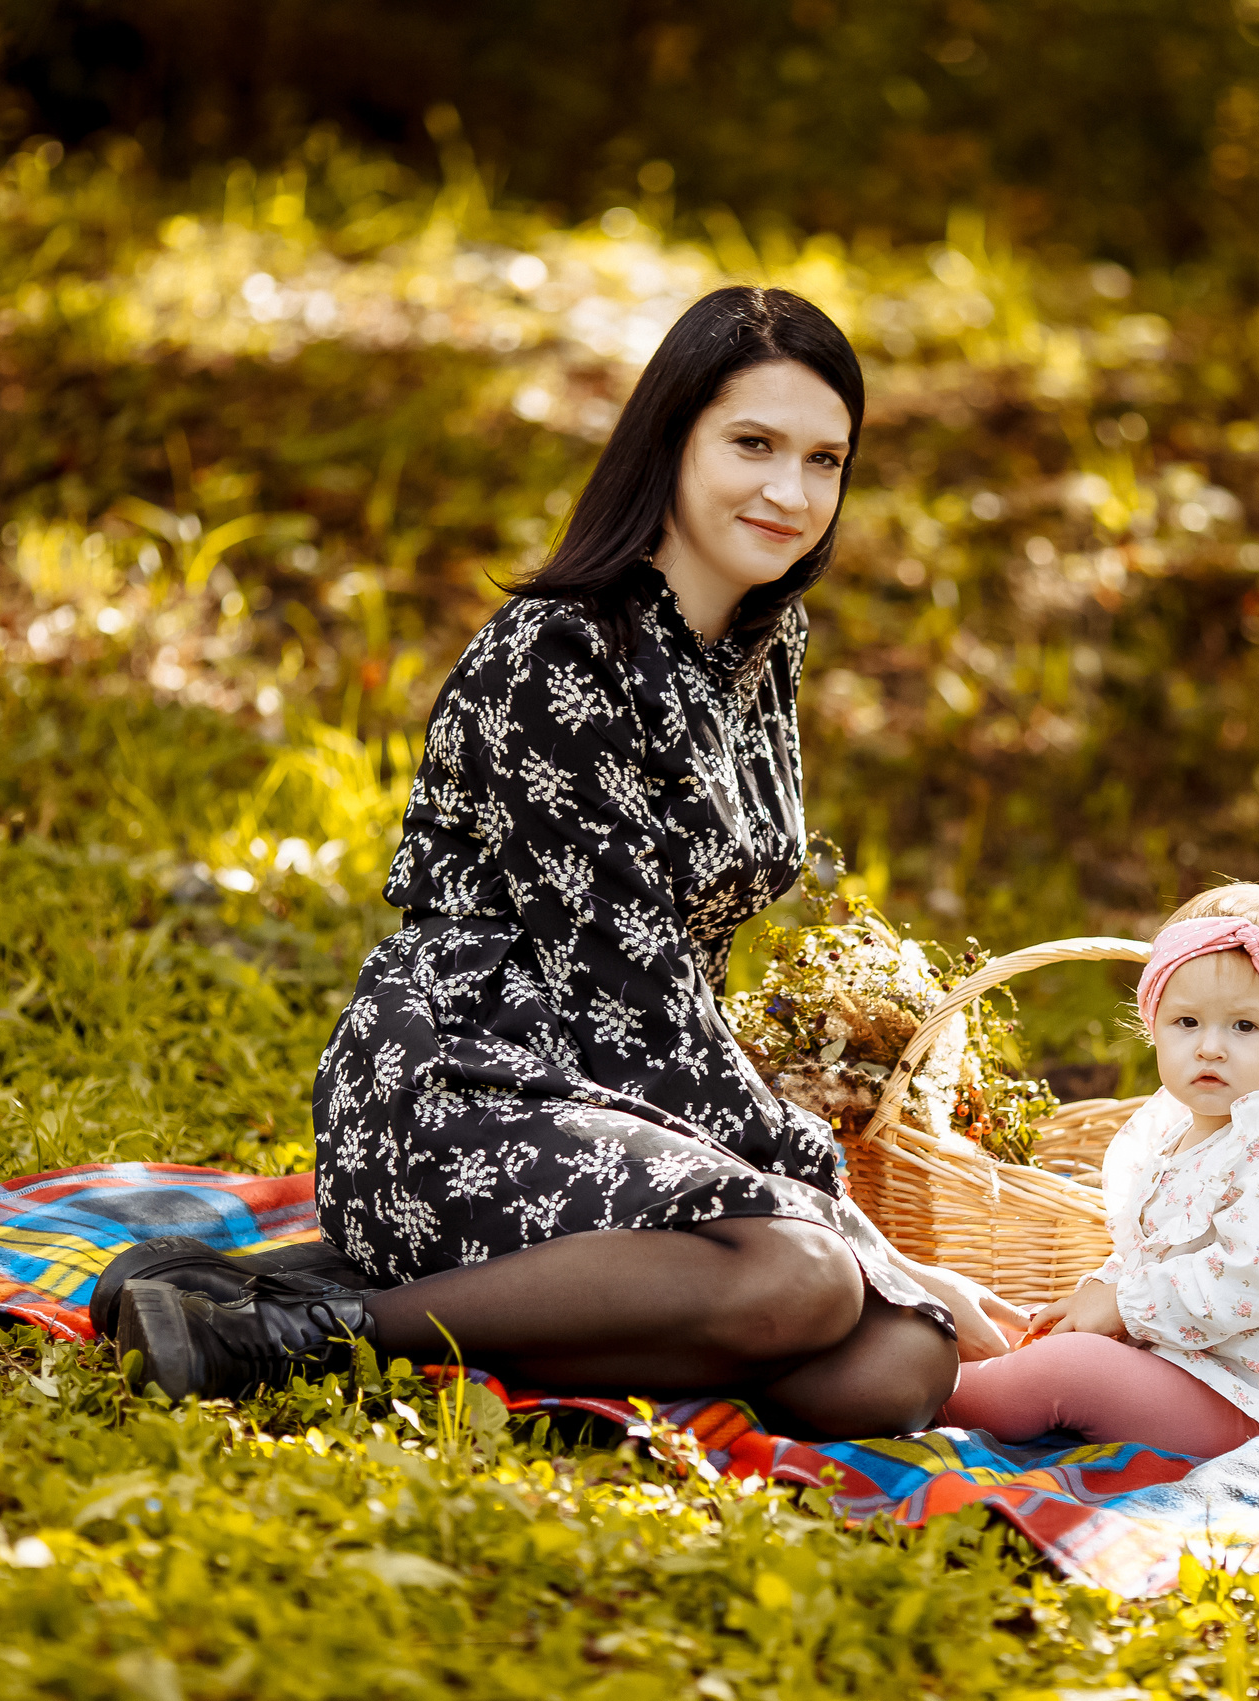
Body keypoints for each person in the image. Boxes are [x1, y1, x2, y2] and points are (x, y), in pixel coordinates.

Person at [104, 286, 1026, 1435]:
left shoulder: (761, 643)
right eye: (752, 444)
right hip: (465, 1080)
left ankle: (314, 1293)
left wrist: (863, 1254)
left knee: (892, 1368)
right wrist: (850, 1227)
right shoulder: (559, 655)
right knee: (808, 1275)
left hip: (624, 1086)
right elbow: (629, 990)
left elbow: (673, 996)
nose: (790, 493)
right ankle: (291, 1330)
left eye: (823, 460)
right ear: (669, 441)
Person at [935, 883, 1259, 1457]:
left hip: (1253, 1405)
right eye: (1187, 1022)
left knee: (1070, 1369)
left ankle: (921, 1392)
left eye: (1244, 1026)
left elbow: (1249, 1281)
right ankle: (958, 1361)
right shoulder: (1177, 1131)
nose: (1210, 1048)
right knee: (1039, 1329)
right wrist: (1104, 1288)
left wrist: (1122, 1305)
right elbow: (1156, 1250)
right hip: (1190, 1364)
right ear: (1154, 1025)